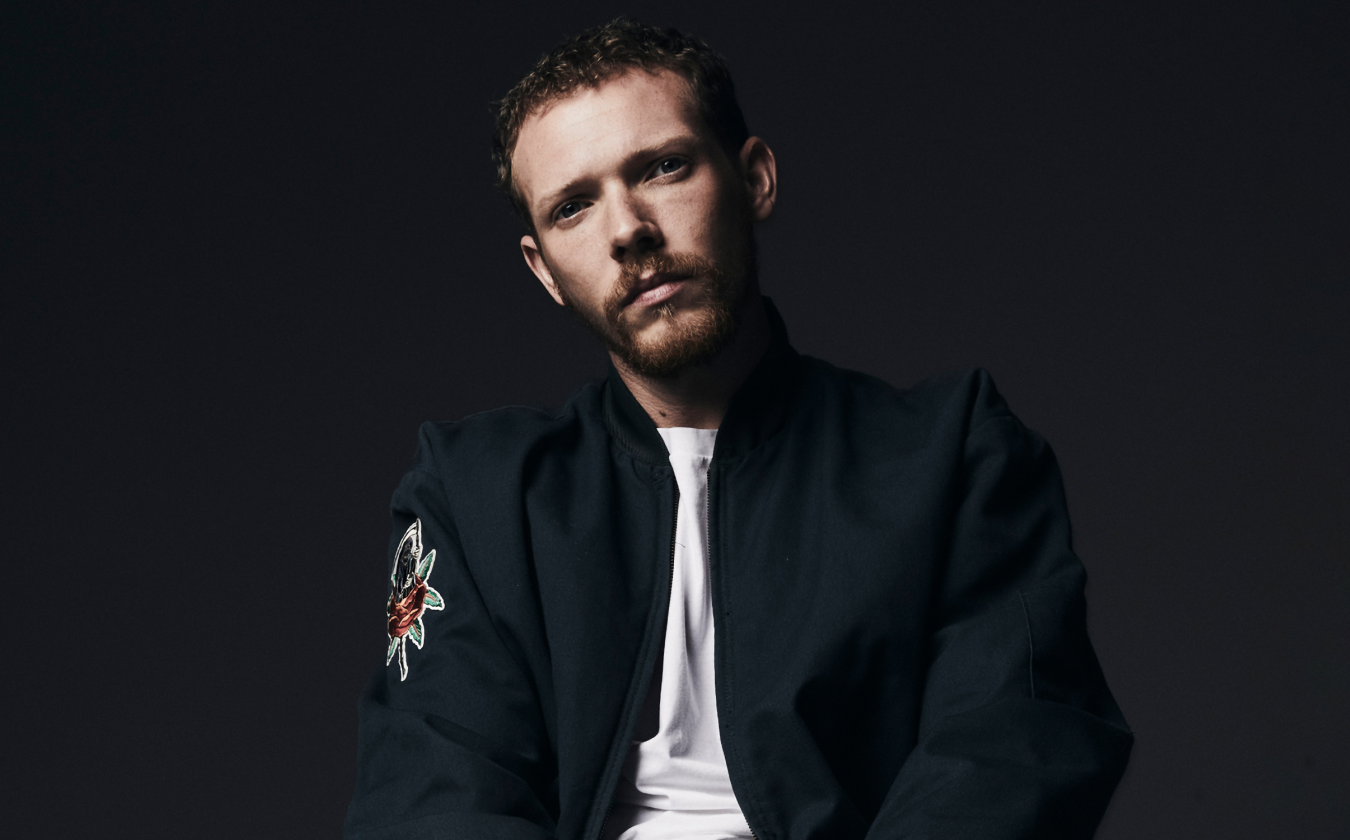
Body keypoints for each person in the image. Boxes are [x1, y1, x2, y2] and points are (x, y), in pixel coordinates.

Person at [345, 18, 1131, 840]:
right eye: (574, 207)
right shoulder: (478, 493)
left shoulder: (951, 455)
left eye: (663, 167)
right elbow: (435, 792)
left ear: (753, 179)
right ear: (543, 269)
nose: (628, 231)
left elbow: (1013, 746)